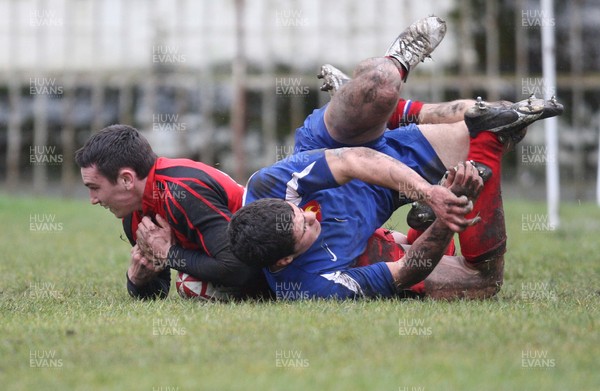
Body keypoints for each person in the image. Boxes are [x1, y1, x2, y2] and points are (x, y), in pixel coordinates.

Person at [227, 100, 556, 299]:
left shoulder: (266, 184)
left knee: (377, 84)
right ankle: (486, 148)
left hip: (355, 167)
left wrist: (430, 193)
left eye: (299, 212)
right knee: (484, 283)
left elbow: (352, 160)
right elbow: (406, 271)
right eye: (303, 227)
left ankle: (387, 111)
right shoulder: (311, 288)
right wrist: (446, 216)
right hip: (359, 238)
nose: (311, 216)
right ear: (284, 261)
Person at [75, 125, 267, 300]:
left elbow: (238, 268)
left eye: (95, 187)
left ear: (126, 179)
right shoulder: (134, 215)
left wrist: (169, 253)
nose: (93, 199)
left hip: (277, 264)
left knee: (189, 283)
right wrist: (136, 279)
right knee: (188, 282)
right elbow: (157, 293)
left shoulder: (184, 192)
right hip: (246, 267)